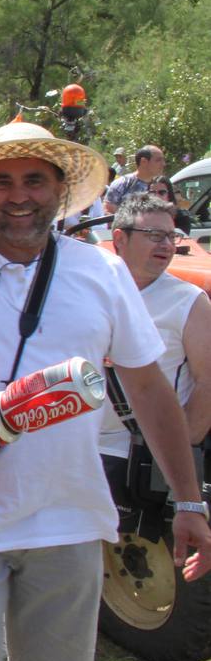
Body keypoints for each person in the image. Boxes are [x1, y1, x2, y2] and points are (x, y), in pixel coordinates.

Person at [0, 121, 210, 661]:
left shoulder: (101, 271)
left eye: (34, 180)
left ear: (60, 190)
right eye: (2, 181)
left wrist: (188, 503)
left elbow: (151, 391)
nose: (18, 196)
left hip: (69, 518)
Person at [101, 192, 211, 460]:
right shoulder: (89, 291)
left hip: (140, 458)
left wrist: (179, 445)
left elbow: (207, 381)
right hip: (75, 451)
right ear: (119, 239)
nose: (167, 245)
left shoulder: (189, 302)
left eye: (171, 236)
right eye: (154, 235)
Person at [104, 143, 165, 213]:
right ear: (144, 161)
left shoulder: (162, 186)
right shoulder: (123, 184)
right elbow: (107, 213)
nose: (163, 164)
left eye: (163, 160)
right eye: (158, 160)